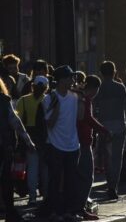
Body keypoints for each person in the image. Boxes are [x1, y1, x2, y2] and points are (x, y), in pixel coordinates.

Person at [43, 65, 82, 221]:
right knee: (55, 179)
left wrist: (83, 100)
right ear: (61, 80)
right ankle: (55, 212)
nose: (73, 80)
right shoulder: (50, 98)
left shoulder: (75, 96)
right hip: (55, 144)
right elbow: (50, 123)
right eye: (70, 77)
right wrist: (58, 107)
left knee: (71, 180)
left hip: (73, 144)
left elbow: (79, 118)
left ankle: (69, 211)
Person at [93, 61, 126, 200]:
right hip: (120, 126)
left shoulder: (99, 89)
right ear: (114, 71)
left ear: (101, 73)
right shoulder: (120, 87)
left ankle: (110, 183)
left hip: (104, 127)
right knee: (117, 158)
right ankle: (113, 187)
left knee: (107, 158)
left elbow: (93, 109)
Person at [0, 72, 36, 222]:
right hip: (3, 146)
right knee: (6, 181)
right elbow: (15, 122)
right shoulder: (3, 100)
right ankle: (10, 212)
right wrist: (28, 141)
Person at [75, 75, 110, 221]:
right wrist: (104, 129)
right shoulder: (85, 99)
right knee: (88, 176)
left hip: (74, 141)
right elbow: (87, 119)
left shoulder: (75, 96)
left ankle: (77, 206)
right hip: (83, 141)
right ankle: (80, 207)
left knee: (78, 176)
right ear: (94, 88)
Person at [15, 75, 49, 205]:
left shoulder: (23, 101)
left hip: (29, 137)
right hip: (45, 138)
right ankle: (46, 196)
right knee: (45, 168)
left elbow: (17, 122)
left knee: (32, 168)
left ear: (32, 86)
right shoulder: (48, 100)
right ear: (46, 88)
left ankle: (32, 197)